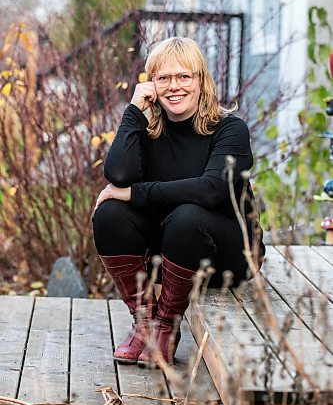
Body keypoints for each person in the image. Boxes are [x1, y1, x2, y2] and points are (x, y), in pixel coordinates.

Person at [92, 36, 265, 366]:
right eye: (163, 78)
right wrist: (133, 112)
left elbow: (212, 190)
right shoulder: (149, 128)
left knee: (187, 215)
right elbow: (118, 174)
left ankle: (167, 327)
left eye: (184, 76)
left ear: (201, 80)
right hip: (172, 254)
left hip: (227, 251)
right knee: (109, 214)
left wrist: (136, 194)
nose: (174, 86)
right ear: (151, 84)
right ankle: (145, 324)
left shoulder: (230, 129)